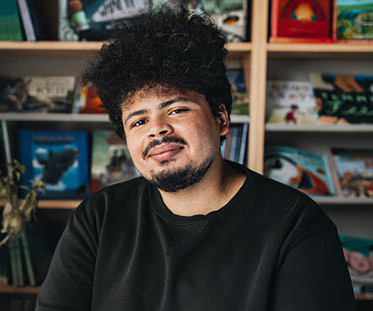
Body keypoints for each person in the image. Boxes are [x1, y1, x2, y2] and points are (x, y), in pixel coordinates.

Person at [36, 6, 355, 311]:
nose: (157, 130)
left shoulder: (295, 227)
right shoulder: (98, 218)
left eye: (176, 110)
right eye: (138, 121)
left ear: (221, 119)